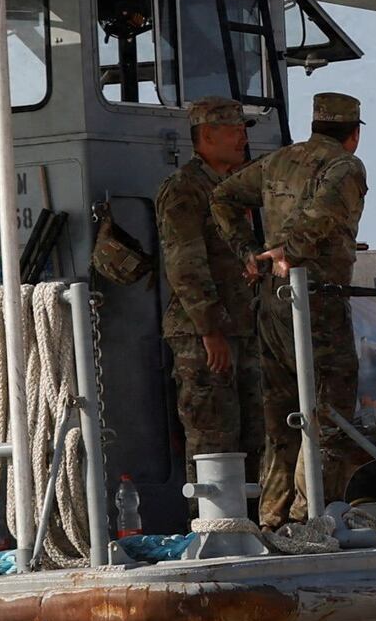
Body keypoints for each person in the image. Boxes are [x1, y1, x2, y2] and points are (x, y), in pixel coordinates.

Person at [92, 102, 260, 483]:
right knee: (212, 436)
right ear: (207, 136)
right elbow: (184, 264)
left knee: (252, 436)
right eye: (234, 129)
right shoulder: (185, 189)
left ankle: (252, 527)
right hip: (204, 335)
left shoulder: (232, 188)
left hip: (242, 326)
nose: (243, 137)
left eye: (243, 129)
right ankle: (212, 528)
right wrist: (210, 330)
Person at [220, 93, 368, 526]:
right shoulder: (345, 166)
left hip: (272, 301)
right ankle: (313, 517)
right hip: (317, 300)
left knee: (280, 414)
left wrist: (250, 253)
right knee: (330, 406)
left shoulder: (279, 161)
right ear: (353, 135)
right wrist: (291, 251)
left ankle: (274, 515)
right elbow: (323, 215)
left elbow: (223, 196)